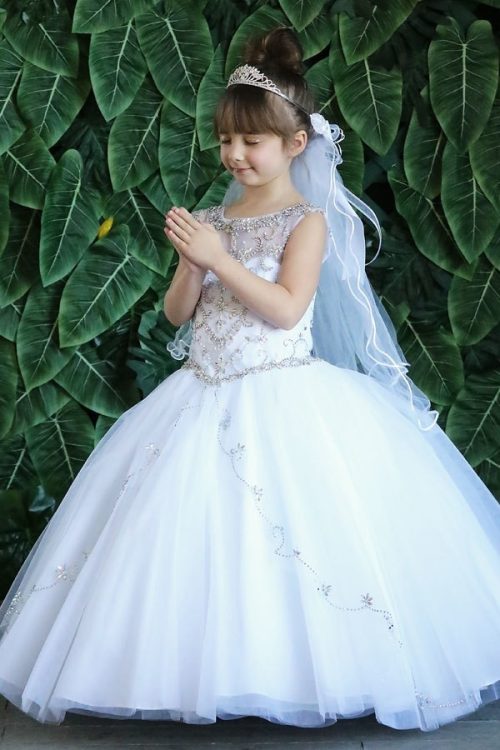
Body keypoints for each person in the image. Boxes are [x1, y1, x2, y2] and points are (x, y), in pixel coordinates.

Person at [0, 26, 500, 735]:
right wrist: (192, 263)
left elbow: (287, 308)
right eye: (225, 141)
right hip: (199, 393)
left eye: (251, 141)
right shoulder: (214, 217)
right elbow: (180, 314)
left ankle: (301, 674)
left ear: (296, 143)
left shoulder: (307, 221)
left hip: (283, 394)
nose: (235, 155)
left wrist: (221, 259)